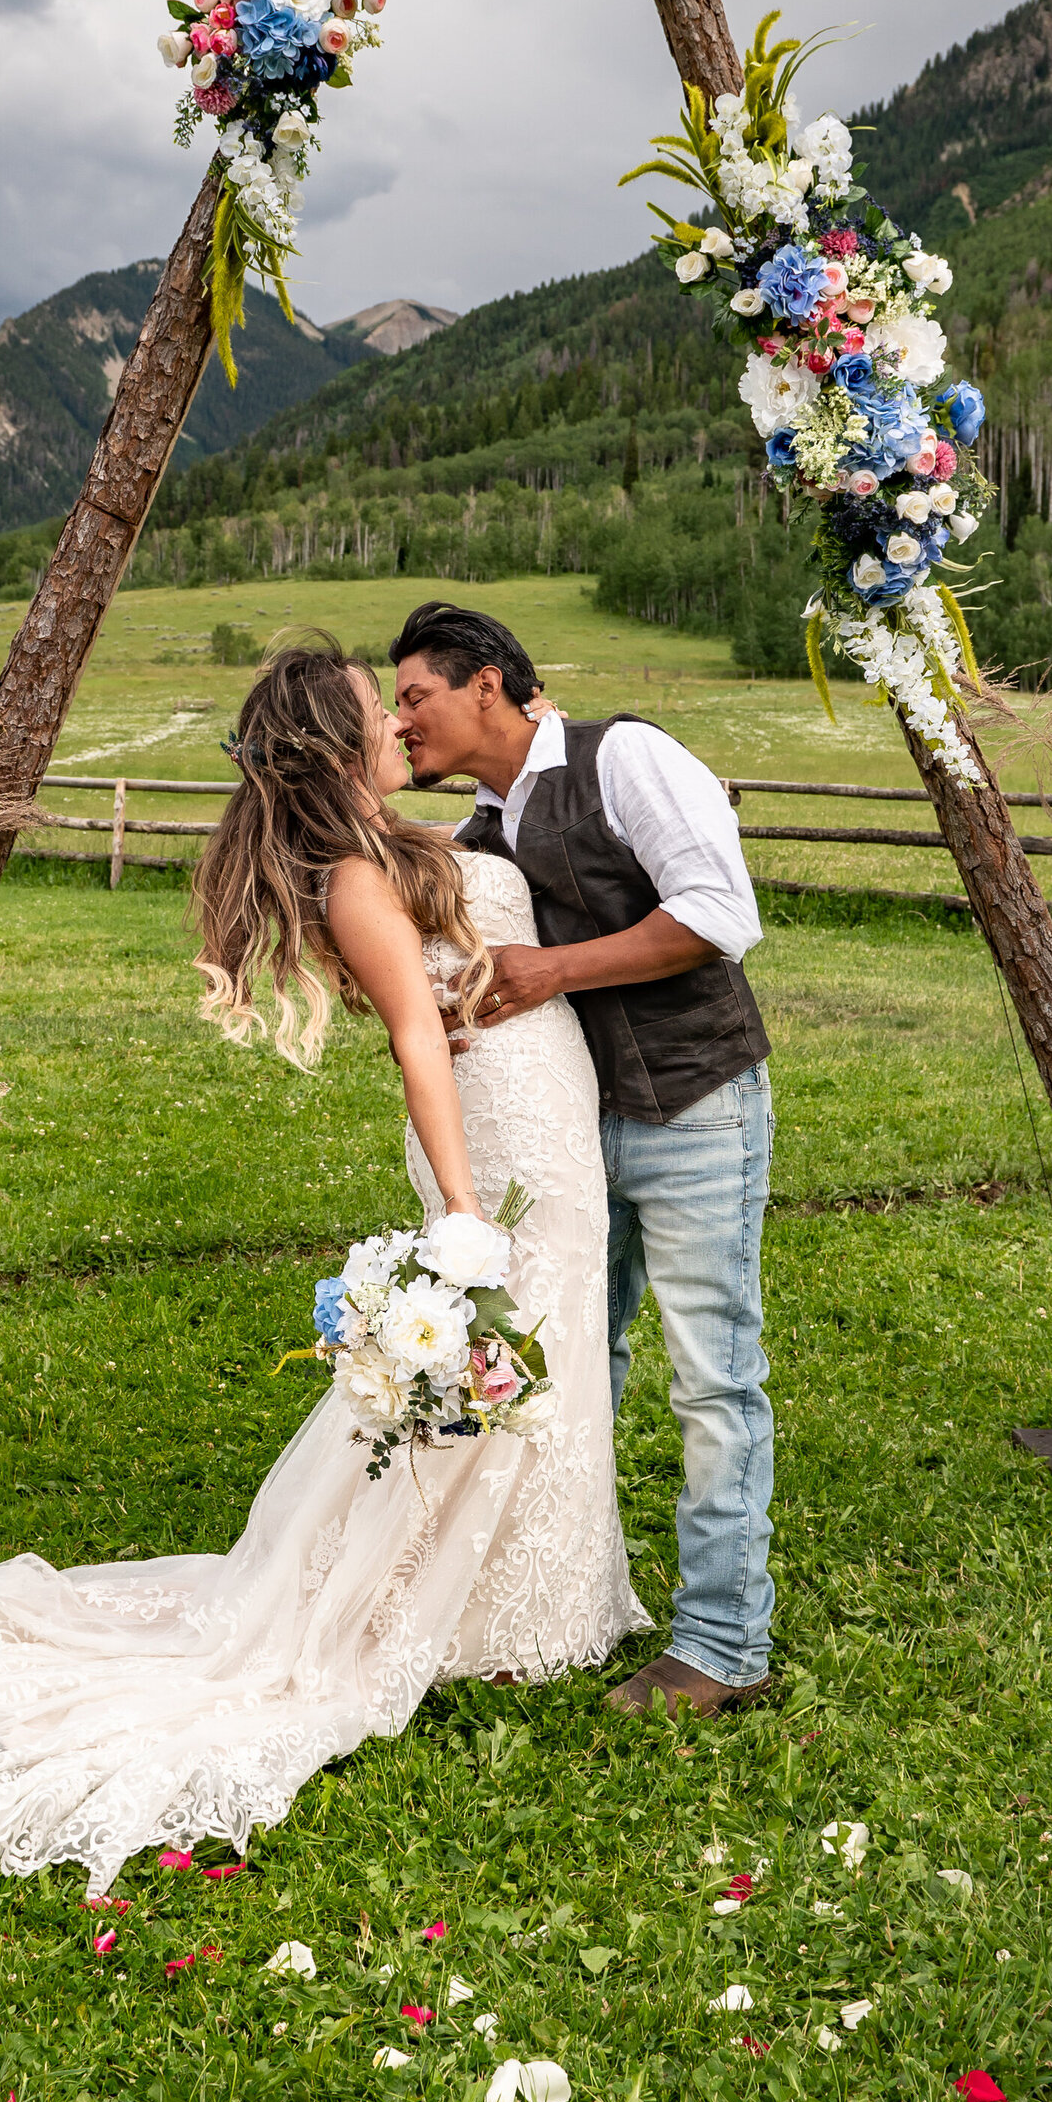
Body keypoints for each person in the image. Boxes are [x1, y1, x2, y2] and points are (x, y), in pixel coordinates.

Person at [0, 633, 637, 1894]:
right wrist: (458, 1205)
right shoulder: (350, 873)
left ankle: (532, 1599)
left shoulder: (393, 841)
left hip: (543, 1104)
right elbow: (414, 1035)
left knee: (540, 1362)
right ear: (337, 748)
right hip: (494, 1131)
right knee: (511, 1347)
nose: (398, 725)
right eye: (375, 714)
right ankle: (476, 1616)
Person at [388, 601, 775, 1719]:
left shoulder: (628, 756)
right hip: (570, 1134)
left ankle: (722, 1643)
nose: (403, 719)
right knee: (567, 1364)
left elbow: (717, 912)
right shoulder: (469, 837)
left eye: (415, 695)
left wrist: (550, 968)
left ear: (489, 686)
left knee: (711, 1376)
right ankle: (555, 1601)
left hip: (698, 1103)